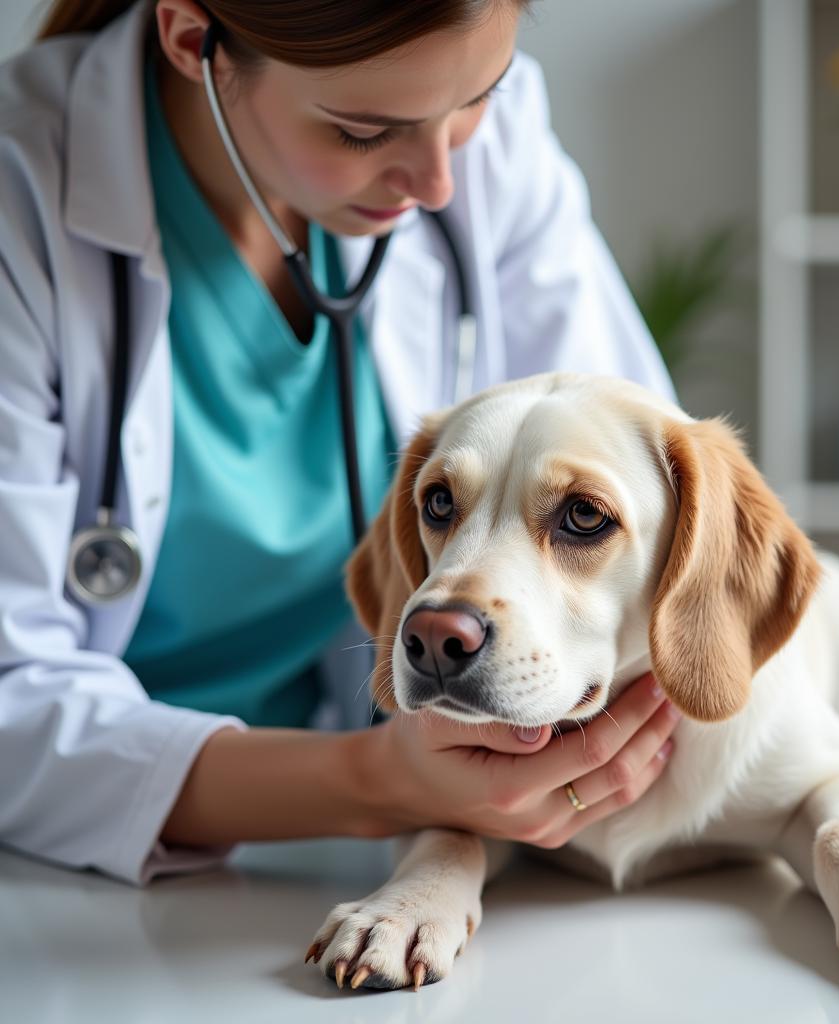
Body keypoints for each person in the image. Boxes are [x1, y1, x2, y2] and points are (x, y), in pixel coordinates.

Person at [0, 0, 680, 886]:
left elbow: (643, 496)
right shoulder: (23, 197)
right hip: (62, 863)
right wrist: (380, 783)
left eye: (480, 95)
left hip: (388, 834)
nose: (440, 180)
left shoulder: (485, 151)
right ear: (191, 37)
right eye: (365, 130)